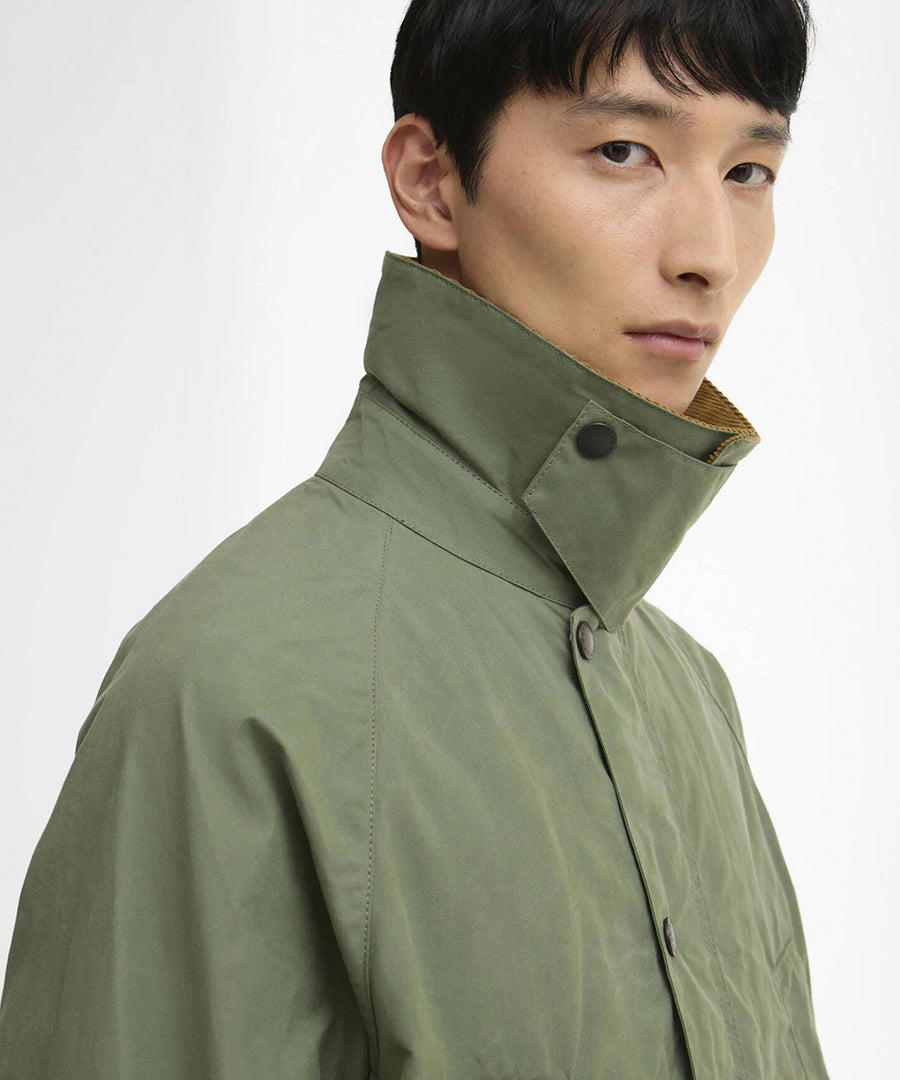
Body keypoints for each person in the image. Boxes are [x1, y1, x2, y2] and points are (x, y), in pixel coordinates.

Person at [0, 0, 831, 1077]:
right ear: (430, 181)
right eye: (625, 151)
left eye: (749, 171)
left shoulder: (691, 697)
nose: (710, 254)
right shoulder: (227, 687)